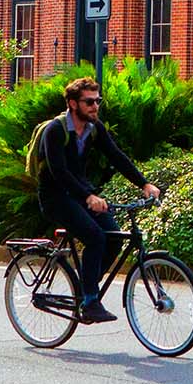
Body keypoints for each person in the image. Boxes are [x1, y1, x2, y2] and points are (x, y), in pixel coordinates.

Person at [38, 76, 159, 323]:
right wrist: (88, 196)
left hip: (81, 194)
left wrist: (144, 183)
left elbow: (116, 156)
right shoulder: (55, 130)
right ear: (73, 103)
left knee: (114, 239)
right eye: (89, 102)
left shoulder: (94, 128)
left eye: (98, 101)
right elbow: (58, 172)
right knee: (95, 237)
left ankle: (86, 286)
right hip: (55, 197)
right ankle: (91, 300)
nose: (95, 106)